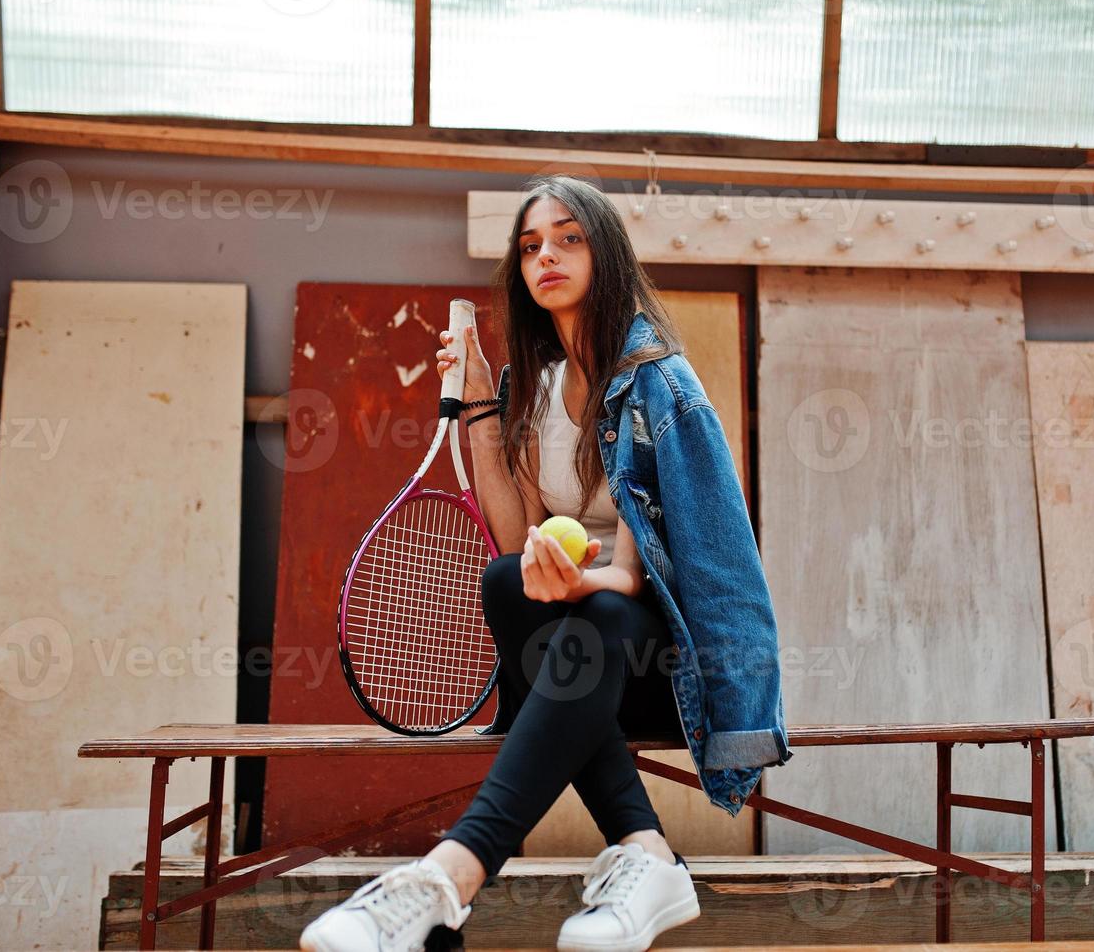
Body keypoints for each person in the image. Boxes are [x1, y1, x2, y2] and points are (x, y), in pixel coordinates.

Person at [301, 174, 791, 952]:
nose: (546, 257)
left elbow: (639, 576)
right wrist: (477, 407)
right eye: (530, 246)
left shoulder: (659, 383)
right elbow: (514, 542)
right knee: (506, 581)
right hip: (578, 663)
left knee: (595, 613)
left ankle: (447, 878)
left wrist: (583, 582)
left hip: (666, 668)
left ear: (607, 253)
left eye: (568, 238)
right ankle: (645, 851)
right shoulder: (534, 387)